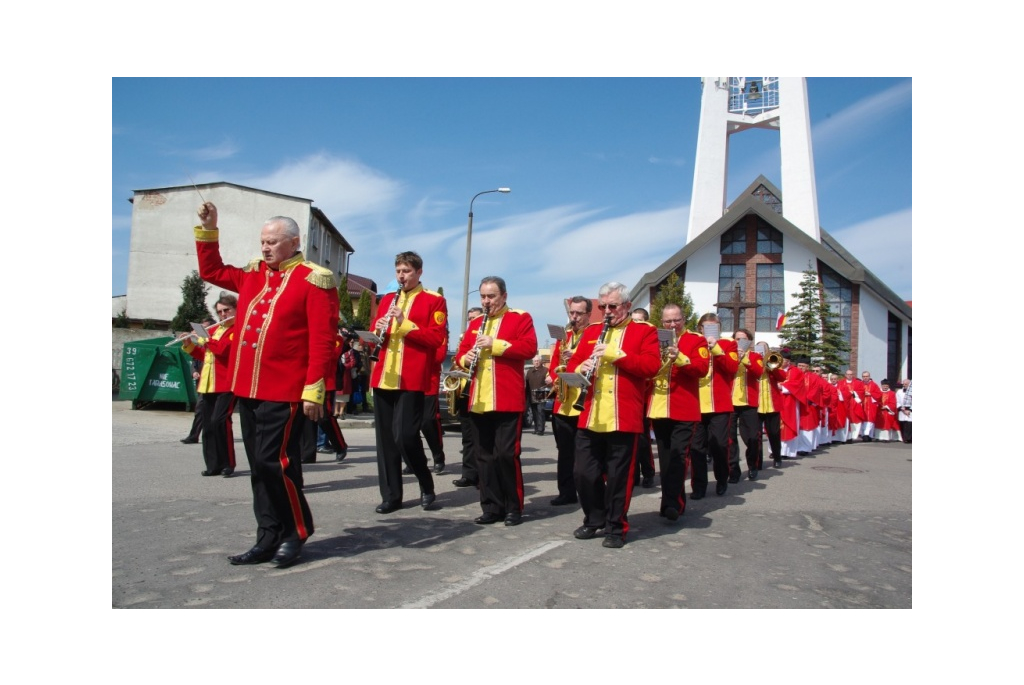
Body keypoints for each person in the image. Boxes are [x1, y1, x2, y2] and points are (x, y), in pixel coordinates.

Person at [195, 202, 337, 569]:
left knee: (275, 462)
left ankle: (296, 531)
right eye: (263, 242)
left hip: (286, 389)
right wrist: (210, 228)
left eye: (273, 242)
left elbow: (323, 339)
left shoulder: (313, 278)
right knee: (259, 466)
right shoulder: (253, 275)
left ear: (293, 242)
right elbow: (210, 269)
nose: (265, 248)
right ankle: (267, 535)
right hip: (249, 387)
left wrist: (314, 388)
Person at [568, 282, 660, 548]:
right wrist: (581, 364)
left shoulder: (644, 331)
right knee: (583, 473)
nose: (607, 311)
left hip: (624, 415)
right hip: (591, 414)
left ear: (627, 306)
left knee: (619, 477)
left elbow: (651, 366)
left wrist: (617, 355)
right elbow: (574, 363)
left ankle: (616, 527)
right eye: (603, 306)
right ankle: (594, 518)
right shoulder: (593, 331)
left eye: (613, 306)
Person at [370, 252, 448, 514]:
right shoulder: (387, 301)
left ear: (419, 272)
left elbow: (435, 339)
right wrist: (375, 331)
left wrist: (404, 323)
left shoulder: (433, 301)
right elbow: (375, 335)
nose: (401, 276)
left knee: (405, 436)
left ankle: (426, 483)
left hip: (411, 379)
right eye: (398, 271)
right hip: (384, 376)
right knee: (385, 442)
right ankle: (392, 495)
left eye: (406, 271)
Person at [458, 277, 537, 526]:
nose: (486, 301)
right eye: (482, 296)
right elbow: (460, 353)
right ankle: (491, 507)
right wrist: (466, 359)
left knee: (505, 455)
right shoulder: (475, 324)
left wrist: (496, 344)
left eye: (491, 296)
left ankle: (513, 507)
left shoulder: (520, 317)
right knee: (483, 457)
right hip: (479, 399)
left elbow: (529, 348)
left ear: (503, 296)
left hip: (507, 399)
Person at [647, 303, 709, 522]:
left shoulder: (696, 340)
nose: (672, 324)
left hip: (684, 408)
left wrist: (680, 358)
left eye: (676, 320)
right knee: (665, 460)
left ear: (684, 319)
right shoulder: (656, 340)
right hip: (659, 407)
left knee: (678, 457)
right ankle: (671, 501)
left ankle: (673, 503)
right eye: (667, 321)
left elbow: (702, 370)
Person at [182, 296, 238, 477]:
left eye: (227, 310)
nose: (223, 315)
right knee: (208, 426)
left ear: (235, 309)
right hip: (208, 384)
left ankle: (228, 463)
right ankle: (213, 465)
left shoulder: (238, 329)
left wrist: (204, 340)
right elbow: (205, 354)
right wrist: (189, 345)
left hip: (226, 384)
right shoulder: (215, 330)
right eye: (220, 311)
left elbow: (223, 350)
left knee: (220, 422)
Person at [547, 296, 591, 506]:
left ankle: (587, 491)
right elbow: (554, 363)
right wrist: (557, 376)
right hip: (563, 402)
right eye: (571, 313)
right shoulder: (563, 336)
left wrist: (574, 356)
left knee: (585, 454)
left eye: (579, 313)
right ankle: (566, 492)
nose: (574, 317)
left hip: (583, 401)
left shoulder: (594, 335)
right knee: (564, 452)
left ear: (588, 315)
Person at [692, 312, 739, 497]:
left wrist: (717, 349)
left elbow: (733, 368)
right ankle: (699, 486)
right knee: (697, 448)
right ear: (700, 328)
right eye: (706, 327)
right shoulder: (695, 343)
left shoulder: (729, 344)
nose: (710, 330)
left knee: (719, 445)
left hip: (719, 404)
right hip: (696, 404)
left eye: (715, 326)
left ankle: (721, 478)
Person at [452, 307, 484, 488]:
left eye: (475, 318)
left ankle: (481, 474)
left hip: (479, 387)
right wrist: (463, 358)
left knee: (480, 436)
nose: (472, 321)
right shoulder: (466, 336)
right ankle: (468, 473)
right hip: (464, 387)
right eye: (469, 318)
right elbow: (458, 358)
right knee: (467, 436)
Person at [729, 328, 765, 480]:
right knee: (730, 439)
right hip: (729, 402)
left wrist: (744, 359)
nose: (739, 343)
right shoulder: (729, 355)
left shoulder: (755, 356)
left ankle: (753, 464)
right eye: (737, 339)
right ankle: (733, 471)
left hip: (749, 402)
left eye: (743, 340)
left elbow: (759, 372)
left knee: (751, 437)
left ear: (749, 342)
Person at [630, 307, 656, 488]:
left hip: (646, 395)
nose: (636, 323)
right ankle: (633, 474)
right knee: (631, 440)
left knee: (643, 440)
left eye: (639, 320)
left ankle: (648, 472)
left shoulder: (649, 337)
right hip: (631, 395)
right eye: (634, 320)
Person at [180, 317, 215, 444]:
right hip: (203, 381)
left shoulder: (212, 341)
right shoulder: (204, 343)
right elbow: (197, 359)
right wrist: (188, 343)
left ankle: (210, 436)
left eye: (204, 328)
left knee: (215, 414)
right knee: (200, 409)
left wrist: (201, 338)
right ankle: (194, 435)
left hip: (217, 381)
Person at [757, 348, 787, 468]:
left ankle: (777, 457)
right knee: (756, 435)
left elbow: (782, 377)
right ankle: (757, 461)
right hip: (757, 404)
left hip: (772, 405)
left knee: (774, 433)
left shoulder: (774, 363)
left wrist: (771, 367)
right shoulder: (754, 361)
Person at [778, 352, 807, 459]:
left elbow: (799, 385)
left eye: (783, 360)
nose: (781, 362)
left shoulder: (796, 371)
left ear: (788, 361)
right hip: (776, 400)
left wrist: (782, 387)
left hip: (790, 402)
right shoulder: (774, 368)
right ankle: (775, 451)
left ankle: (788, 452)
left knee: (789, 425)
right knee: (775, 426)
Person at [525, 355, 549, 436]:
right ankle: (536, 428)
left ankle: (541, 429)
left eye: (538, 361)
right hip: (531, 394)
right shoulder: (529, 371)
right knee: (534, 412)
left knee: (540, 411)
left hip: (541, 393)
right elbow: (527, 383)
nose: (536, 362)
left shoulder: (546, 370)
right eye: (535, 361)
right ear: (533, 362)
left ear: (541, 361)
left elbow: (549, 383)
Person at [841, 369, 866, 443]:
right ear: (845, 375)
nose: (849, 375)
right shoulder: (841, 383)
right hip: (844, 404)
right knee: (845, 420)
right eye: (848, 374)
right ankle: (844, 437)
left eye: (851, 374)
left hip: (854, 404)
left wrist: (854, 393)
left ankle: (851, 436)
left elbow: (862, 392)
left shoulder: (858, 383)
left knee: (854, 419)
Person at [860, 371, 882, 441]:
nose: (865, 378)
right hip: (862, 404)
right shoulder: (860, 384)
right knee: (862, 420)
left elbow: (879, 394)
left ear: (869, 376)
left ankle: (868, 435)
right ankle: (864, 434)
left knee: (870, 420)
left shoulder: (874, 385)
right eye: (864, 376)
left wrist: (870, 394)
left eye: (866, 376)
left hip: (870, 405)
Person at [895, 378, 912, 444]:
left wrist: (909, 409)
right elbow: (897, 401)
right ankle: (904, 438)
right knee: (903, 424)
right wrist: (901, 409)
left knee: (909, 425)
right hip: (902, 411)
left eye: (906, 384)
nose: (904, 385)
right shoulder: (899, 391)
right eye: (904, 384)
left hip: (910, 411)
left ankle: (910, 439)